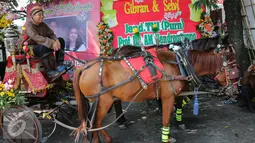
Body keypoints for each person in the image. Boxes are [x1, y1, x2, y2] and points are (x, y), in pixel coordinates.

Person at [23, 5, 66, 79]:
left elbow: (51, 34)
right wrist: (52, 42)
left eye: (43, 14)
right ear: (33, 16)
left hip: (43, 44)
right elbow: (35, 37)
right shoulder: (28, 25)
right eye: (39, 15)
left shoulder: (43, 25)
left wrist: (56, 40)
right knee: (43, 47)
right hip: (31, 48)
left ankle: (59, 64)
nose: (42, 16)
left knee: (61, 40)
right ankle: (49, 71)